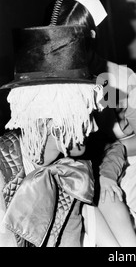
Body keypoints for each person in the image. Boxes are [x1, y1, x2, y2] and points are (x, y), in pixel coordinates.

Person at [54, 0, 136, 246]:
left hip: (122, 172)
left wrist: (108, 168)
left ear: (91, 38)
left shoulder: (123, 80)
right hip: (80, 171)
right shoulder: (53, 82)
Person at [0, 24, 121, 247]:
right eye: (83, 115)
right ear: (48, 121)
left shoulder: (72, 172)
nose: (92, 126)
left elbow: (69, 237)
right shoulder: (3, 169)